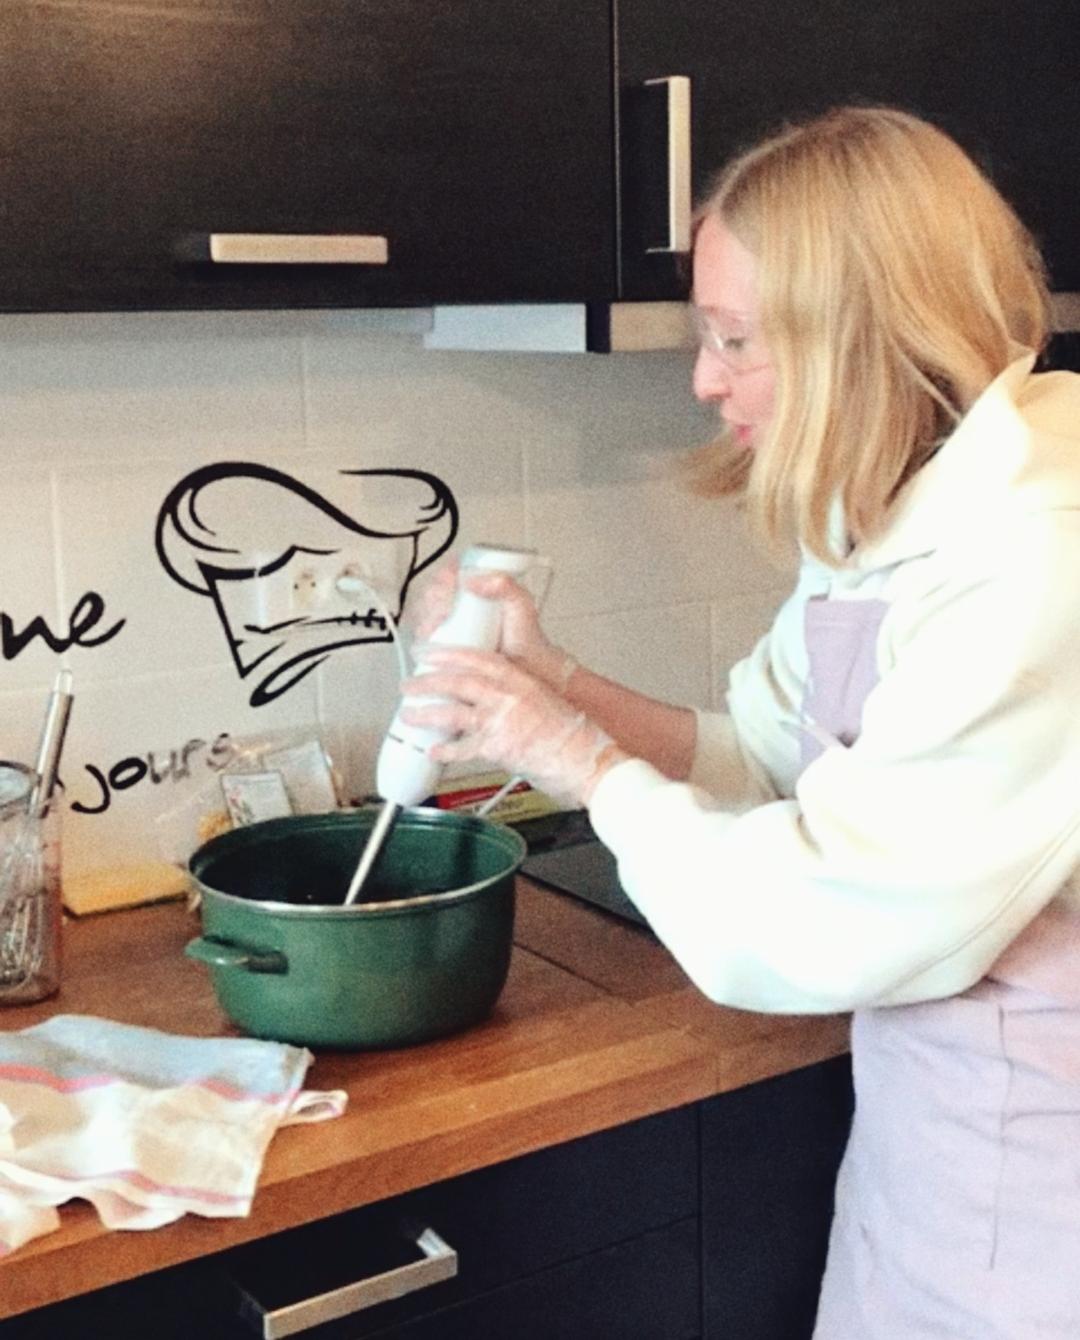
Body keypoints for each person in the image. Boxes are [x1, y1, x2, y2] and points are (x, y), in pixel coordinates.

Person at [399, 106, 1080, 1338]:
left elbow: (827, 912)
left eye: (734, 338)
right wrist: (559, 684)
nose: (705, 378)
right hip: (929, 1158)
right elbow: (762, 753)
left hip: (1042, 1204)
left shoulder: (1038, 554)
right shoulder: (895, 509)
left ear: (863, 336)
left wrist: (573, 759)